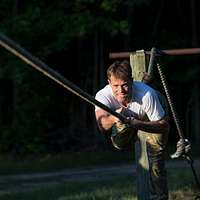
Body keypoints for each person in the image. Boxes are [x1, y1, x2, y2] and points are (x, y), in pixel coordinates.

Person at [94, 60, 169, 200]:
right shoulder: (102, 96)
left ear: (132, 81)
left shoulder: (147, 95)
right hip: (125, 121)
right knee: (118, 143)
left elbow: (163, 125)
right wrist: (116, 117)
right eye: (115, 86)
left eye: (125, 85)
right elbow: (102, 125)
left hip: (152, 118)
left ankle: (159, 197)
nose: (120, 90)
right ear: (109, 82)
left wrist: (138, 124)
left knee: (155, 160)